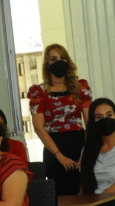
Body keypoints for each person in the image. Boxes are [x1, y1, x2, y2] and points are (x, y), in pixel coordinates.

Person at [29, 43, 92, 195]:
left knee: (85, 196)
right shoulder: (39, 92)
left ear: (67, 61)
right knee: (60, 198)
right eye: (54, 59)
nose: (59, 62)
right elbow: (38, 127)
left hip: (79, 146)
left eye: (62, 58)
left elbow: (90, 123)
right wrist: (59, 156)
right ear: (47, 63)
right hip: (54, 149)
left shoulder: (80, 87)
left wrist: (86, 153)